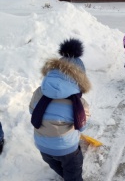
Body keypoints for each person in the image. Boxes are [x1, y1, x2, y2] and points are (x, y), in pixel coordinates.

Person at [29, 38, 91, 181]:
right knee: (73, 170)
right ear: (79, 79)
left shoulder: (39, 92)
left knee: (54, 163)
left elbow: (32, 111)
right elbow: (82, 125)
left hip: (42, 145)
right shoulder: (79, 103)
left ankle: (63, 174)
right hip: (66, 149)